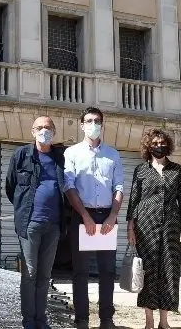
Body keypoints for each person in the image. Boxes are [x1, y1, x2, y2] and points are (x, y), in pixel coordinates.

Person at [126, 128, 181, 329]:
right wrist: (130, 228)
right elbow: (133, 200)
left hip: (171, 227)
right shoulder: (141, 170)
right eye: (154, 143)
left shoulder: (176, 169)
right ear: (148, 146)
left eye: (162, 143)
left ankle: (164, 321)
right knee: (147, 273)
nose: (159, 146)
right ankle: (148, 321)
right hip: (145, 226)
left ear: (168, 145)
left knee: (169, 271)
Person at [63, 107, 124, 329]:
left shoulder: (113, 154)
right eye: (88, 121)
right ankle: (82, 320)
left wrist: (113, 216)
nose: (93, 124)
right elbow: (69, 187)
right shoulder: (71, 153)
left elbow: (118, 187)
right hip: (82, 217)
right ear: (81, 125)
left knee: (107, 272)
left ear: (102, 124)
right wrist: (85, 216)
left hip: (108, 217)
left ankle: (106, 319)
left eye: (97, 121)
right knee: (80, 272)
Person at [5, 116, 68, 329]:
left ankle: (42, 320)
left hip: (54, 225)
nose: (44, 131)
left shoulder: (61, 157)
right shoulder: (21, 155)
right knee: (30, 274)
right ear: (32, 131)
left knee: (45, 276)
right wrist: (23, 209)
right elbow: (10, 187)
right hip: (29, 224)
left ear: (54, 131)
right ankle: (28, 321)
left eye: (48, 127)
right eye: (40, 128)